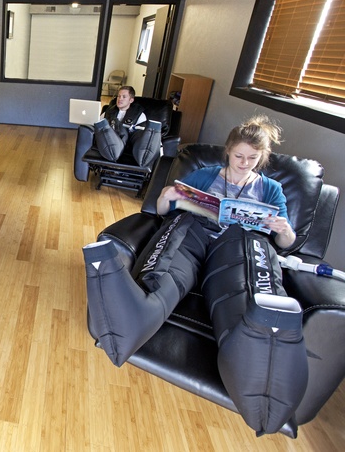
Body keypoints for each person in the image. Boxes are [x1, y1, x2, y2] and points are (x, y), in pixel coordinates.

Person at [83, 116, 307, 436]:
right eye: (239, 156)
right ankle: (140, 308)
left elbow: (286, 244)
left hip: (235, 247)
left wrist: (284, 230)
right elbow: (161, 213)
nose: (244, 164)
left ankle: (255, 346)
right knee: (177, 235)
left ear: (262, 158)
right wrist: (168, 197)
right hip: (195, 234)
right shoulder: (204, 175)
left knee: (247, 256)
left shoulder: (270, 190)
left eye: (252, 159)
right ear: (228, 151)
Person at [92, 85, 162, 168]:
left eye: (124, 97)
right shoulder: (108, 112)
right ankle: (111, 145)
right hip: (113, 139)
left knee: (142, 134)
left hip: (131, 143)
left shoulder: (139, 115)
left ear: (131, 100)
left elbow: (140, 133)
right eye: (119, 96)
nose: (120, 99)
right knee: (104, 127)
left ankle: (154, 132)